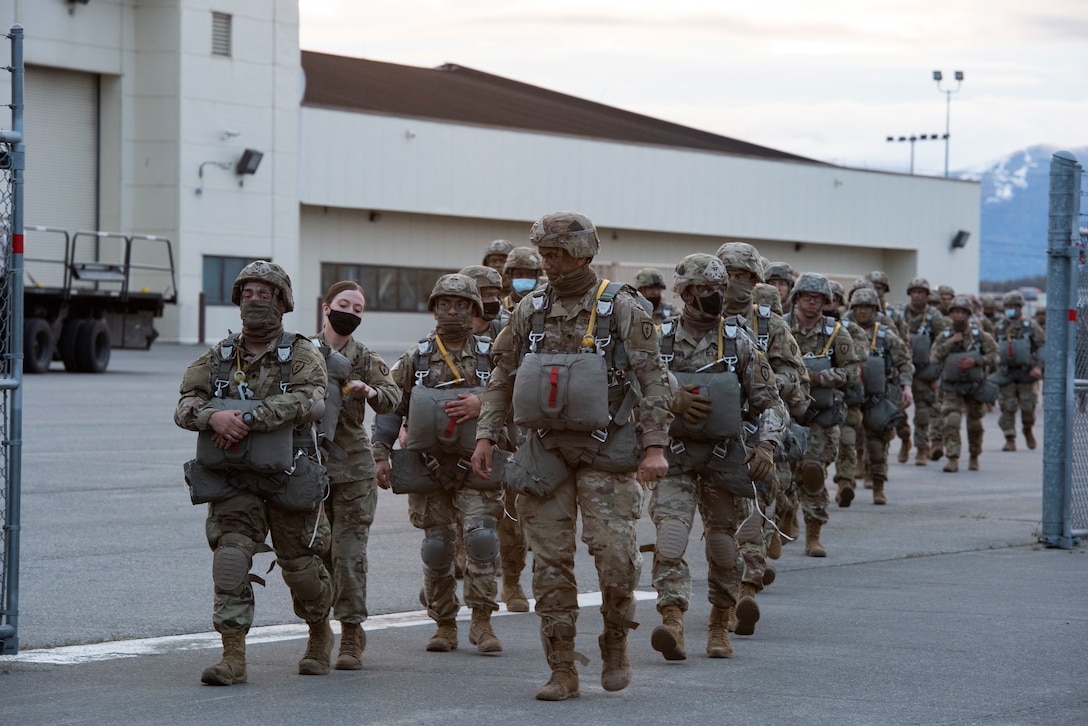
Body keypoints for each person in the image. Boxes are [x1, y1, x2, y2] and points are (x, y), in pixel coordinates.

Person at [471, 211, 673, 701]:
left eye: (557, 253)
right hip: (544, 453)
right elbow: (501, 376)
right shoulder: (529, 308)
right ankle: (562, 668)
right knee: (550, 565)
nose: (548, 262)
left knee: (617, 560)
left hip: (608, 451)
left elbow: (652, 379)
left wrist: (655, 447)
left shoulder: (621, 306)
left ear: (584, 252)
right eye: (544, 253)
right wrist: (485, 435)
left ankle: (615, 640)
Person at [175, 260, 334, 685]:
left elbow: (310, 397)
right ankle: (233, 657)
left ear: (282, 302)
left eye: (265, 293)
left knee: (301, 570)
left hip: (289, 472)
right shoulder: (220, 355)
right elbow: (186, 403)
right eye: (247, 292)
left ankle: (320, 632)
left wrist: (251, 417)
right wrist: (212, 418)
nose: (255, 299)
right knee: (229, 560)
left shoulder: (301, 352)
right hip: (234, 478)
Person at [651, 253, 785, 659]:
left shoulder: (739, 342)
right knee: (671, 537)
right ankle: (672, 620)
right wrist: (669, 401)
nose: (716, 297)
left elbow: (772, 403)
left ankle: (718, 624)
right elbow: (629, 393)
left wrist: (766, 445)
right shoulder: (660, 340)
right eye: (707, 290)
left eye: (719, 289)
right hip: (674, 456)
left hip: (725, 456)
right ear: (687, 293)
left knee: (724, 545)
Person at [374, 274, 507, 654]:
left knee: (481, 539)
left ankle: (482, 623)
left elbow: (515, 401)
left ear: (474, 310)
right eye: (445, 304)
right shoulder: (414, 359)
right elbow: (390, 407)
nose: (453, 311)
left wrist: (482, 404)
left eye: (462, 305)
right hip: (426, 467)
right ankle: (444, 624)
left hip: (477, 463)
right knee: (436, 547)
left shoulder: (491, 355)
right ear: (434, 309)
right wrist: (381, 454)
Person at [314, 280, 401, 670]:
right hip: (308, 473)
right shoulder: (302, 352)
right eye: (344, 304)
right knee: (313, 559)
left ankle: (351, 633)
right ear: (326, 307)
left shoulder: (364, 357)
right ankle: (317, 633)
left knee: (347, 557)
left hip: (352, 472)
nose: (350, 312)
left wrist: (371, 391)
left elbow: (393, 396)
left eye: (358, 308)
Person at [717, 243, 809, 586]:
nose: (736, 282)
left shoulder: (770, 324)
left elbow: (795, 373)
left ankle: (751, 570)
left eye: (744, 276)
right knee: (721, 511)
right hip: (714, 423)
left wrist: (763, 381)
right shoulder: (701, 318)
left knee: (766, 488)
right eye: (730, 275)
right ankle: (741, 568)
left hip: (761, 422)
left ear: (756, 280)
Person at [458, 264, 531, 612]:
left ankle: (513, 581)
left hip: (509, 440)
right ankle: (446, 582)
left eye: (494, 293)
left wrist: (482, 402)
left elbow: (525, 385)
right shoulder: (448, 334)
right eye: (482, 294)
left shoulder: (513, 330)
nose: (490, 300)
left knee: (512, 519)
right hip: (458, 444)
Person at [783, 272, 860, 557]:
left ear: (826, 301)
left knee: (812, 472)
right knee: (782, 476)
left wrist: (821, 377)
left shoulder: (836, 332)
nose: (812, 303)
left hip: (821, 415)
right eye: (806, 297)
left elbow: (853, 371)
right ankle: (784, 519)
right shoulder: (781, 327)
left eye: (818, 298)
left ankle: (813, 535)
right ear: (797, 298)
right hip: (786, 413)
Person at [847, 287, 914, 504]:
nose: (863, 312)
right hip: (850, 396)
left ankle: (878, 485)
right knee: (846, 442)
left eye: (868, 307)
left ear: (875, 309)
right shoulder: (842, 333)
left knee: (877, 447)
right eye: (859, 307)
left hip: (878, 397)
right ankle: (845, 483)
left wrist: (906, 387)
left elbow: (904, 362)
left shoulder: (887, 336)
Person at [930, 295, 999, 472]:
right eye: (956, 312)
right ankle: (952, 458)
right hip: (951, 386)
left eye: (963, 312)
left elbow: (994, 355)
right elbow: (934, 357)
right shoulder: (945, 335)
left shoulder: (980, 335)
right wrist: (951, 343)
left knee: (975, 424)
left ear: (968, 314)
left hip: (974, 386)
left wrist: (975, 362)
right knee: (952, 421)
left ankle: (974, 456)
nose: (959, 316)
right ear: (951, 314)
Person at [831, 284, 871, 508]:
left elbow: (861, 353)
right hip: (812, 398)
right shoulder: (795, 326)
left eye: (833, 299)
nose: (828, 303)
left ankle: (845, 482)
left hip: (845, 397)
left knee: (847, 442)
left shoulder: (850, 329)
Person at [901, 277, 948, 466]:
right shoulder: (901, 314)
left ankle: (922, 449)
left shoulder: (935, 317)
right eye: (915, 292)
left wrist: (937, 372)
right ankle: (905, 439)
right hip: (902, 368)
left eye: (922, 292)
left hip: (924, 371)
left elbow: (943, 344)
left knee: (922, 412)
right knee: (896, 412)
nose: (918, 295)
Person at [993, 290, 1045, 451]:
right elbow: (993, 348)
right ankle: (1010, 438)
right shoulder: (1000, 327)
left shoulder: (1031, 326)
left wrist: (1038, 367)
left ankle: (1027, 429)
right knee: (1007, 408)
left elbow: (1042, 347)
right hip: (1007, 373)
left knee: (1028, 408)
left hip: (1027, 373)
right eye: (1007, 306)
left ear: (1020, 307)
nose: (1009, 309)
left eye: (1013, 306)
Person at [501, 245, 544, 321]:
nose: (525, 278)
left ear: (537, 277)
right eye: (519, 275)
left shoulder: (545, 305)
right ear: (510, 276)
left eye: (530, 275)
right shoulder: (501, 307)